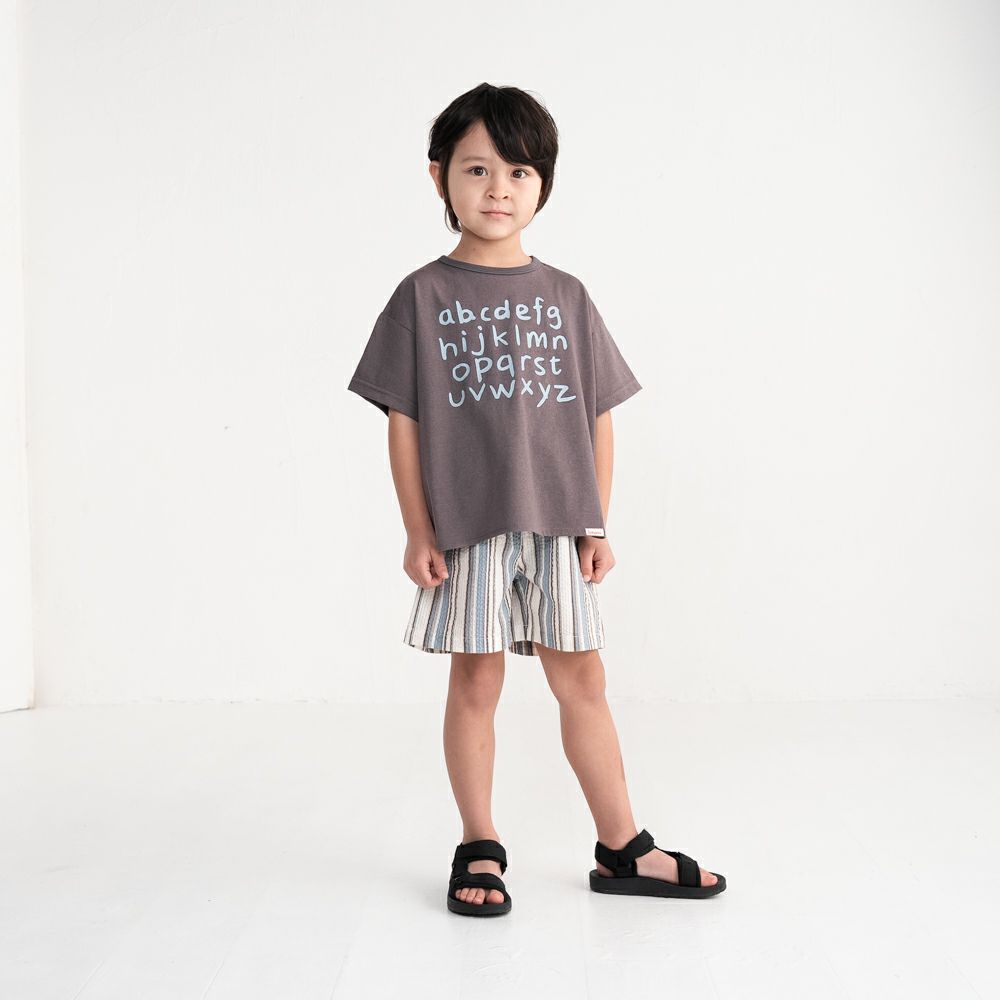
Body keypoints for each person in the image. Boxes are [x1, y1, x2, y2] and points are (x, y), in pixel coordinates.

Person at [347, 82, 726, 917]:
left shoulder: (566, 295)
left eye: (519, 172)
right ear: (440, 176)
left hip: (557, 525)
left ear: (543, 184)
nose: (499, 190)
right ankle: (479, 844)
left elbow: (597, 416)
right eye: (478, 169)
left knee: (583, 678)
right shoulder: (422, 296)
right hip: (470, 527)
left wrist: (596, 521)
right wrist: (417, 529)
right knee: (476, 680)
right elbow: (404, 422)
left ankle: (623, 846)